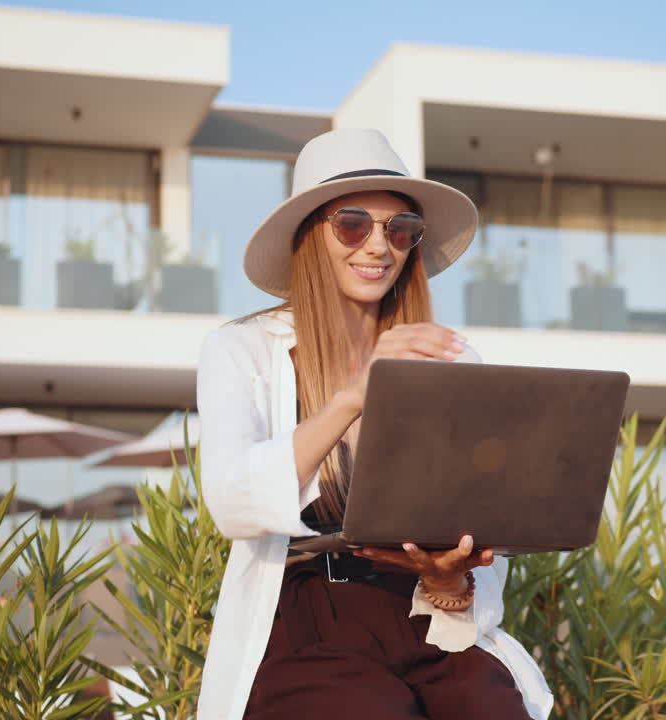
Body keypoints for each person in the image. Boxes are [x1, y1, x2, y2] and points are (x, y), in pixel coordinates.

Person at [195, 128, 552, 719]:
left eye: (401, 230)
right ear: (312, 234)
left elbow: (482, 532)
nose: (378, 247)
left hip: (425, 620)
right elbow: (232, 503)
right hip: (311, 619)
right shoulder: (243, 350)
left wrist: (449, 581)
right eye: (353, 224)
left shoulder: (451, 360)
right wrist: (354, 397)